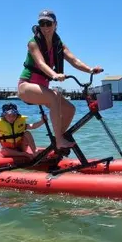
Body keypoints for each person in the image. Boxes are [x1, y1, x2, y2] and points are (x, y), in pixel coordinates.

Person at [17, 9, 103, 150]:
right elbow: (41, 63)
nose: (45, 27)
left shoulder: (58, 44)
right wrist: (54, 75)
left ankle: (56, 143)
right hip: (26, 87)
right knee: (53, 95)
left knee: (70, 109)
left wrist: (90, 70)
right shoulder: (33, 43)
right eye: (42, 24)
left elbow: (74, 60)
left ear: (55, 24)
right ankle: (59, 141)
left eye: (48, 24)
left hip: (42, 89)